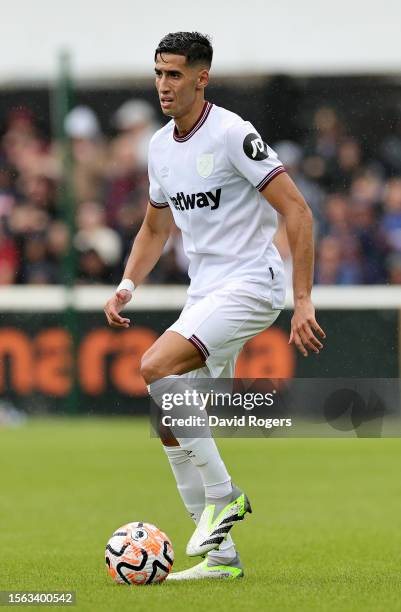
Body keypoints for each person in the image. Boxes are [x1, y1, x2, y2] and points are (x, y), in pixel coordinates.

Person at [104, 31, 326, 581]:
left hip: (252, 282)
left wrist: (302, 300)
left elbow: (297, 212)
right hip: (206, 292)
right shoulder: (158, 146)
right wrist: (127, 285)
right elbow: (155, 227)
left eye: (175, 74)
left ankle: (225, 497)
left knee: (153, 365)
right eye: (158, 73)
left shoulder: (231, 133)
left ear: (201, 78)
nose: (163, 84)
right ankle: (222, 558)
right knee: (170, 418)